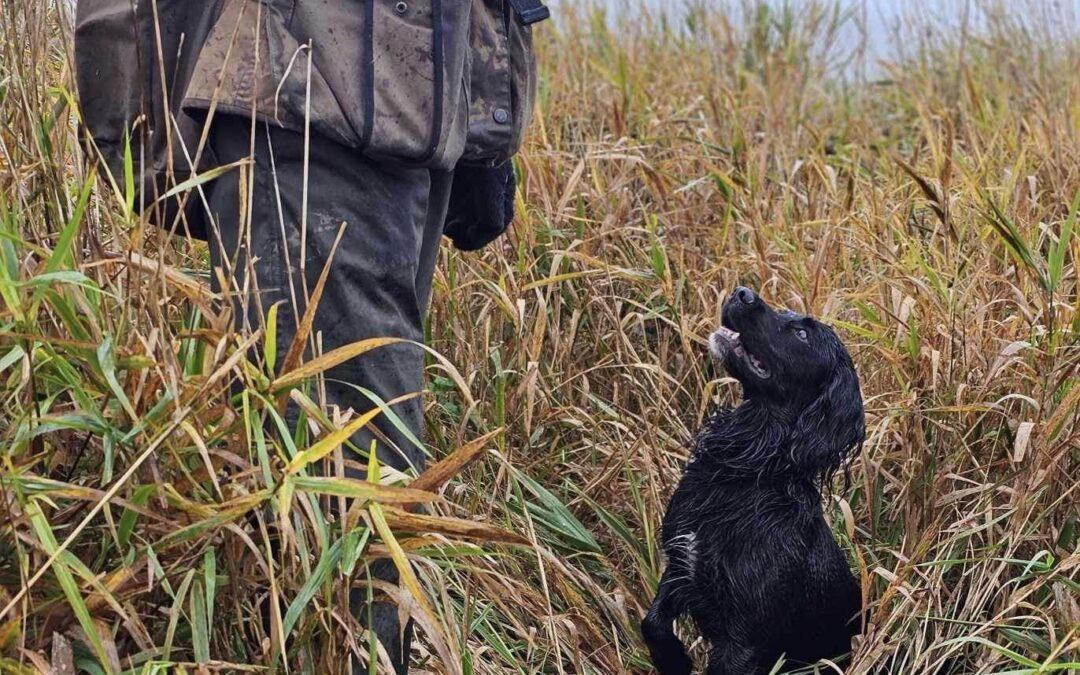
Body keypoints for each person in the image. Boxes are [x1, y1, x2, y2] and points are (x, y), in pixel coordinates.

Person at [74, 0, 547, 672]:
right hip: (315, 101)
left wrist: (482, 115)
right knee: (352, 505)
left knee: (349, 502)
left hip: (408, 108)